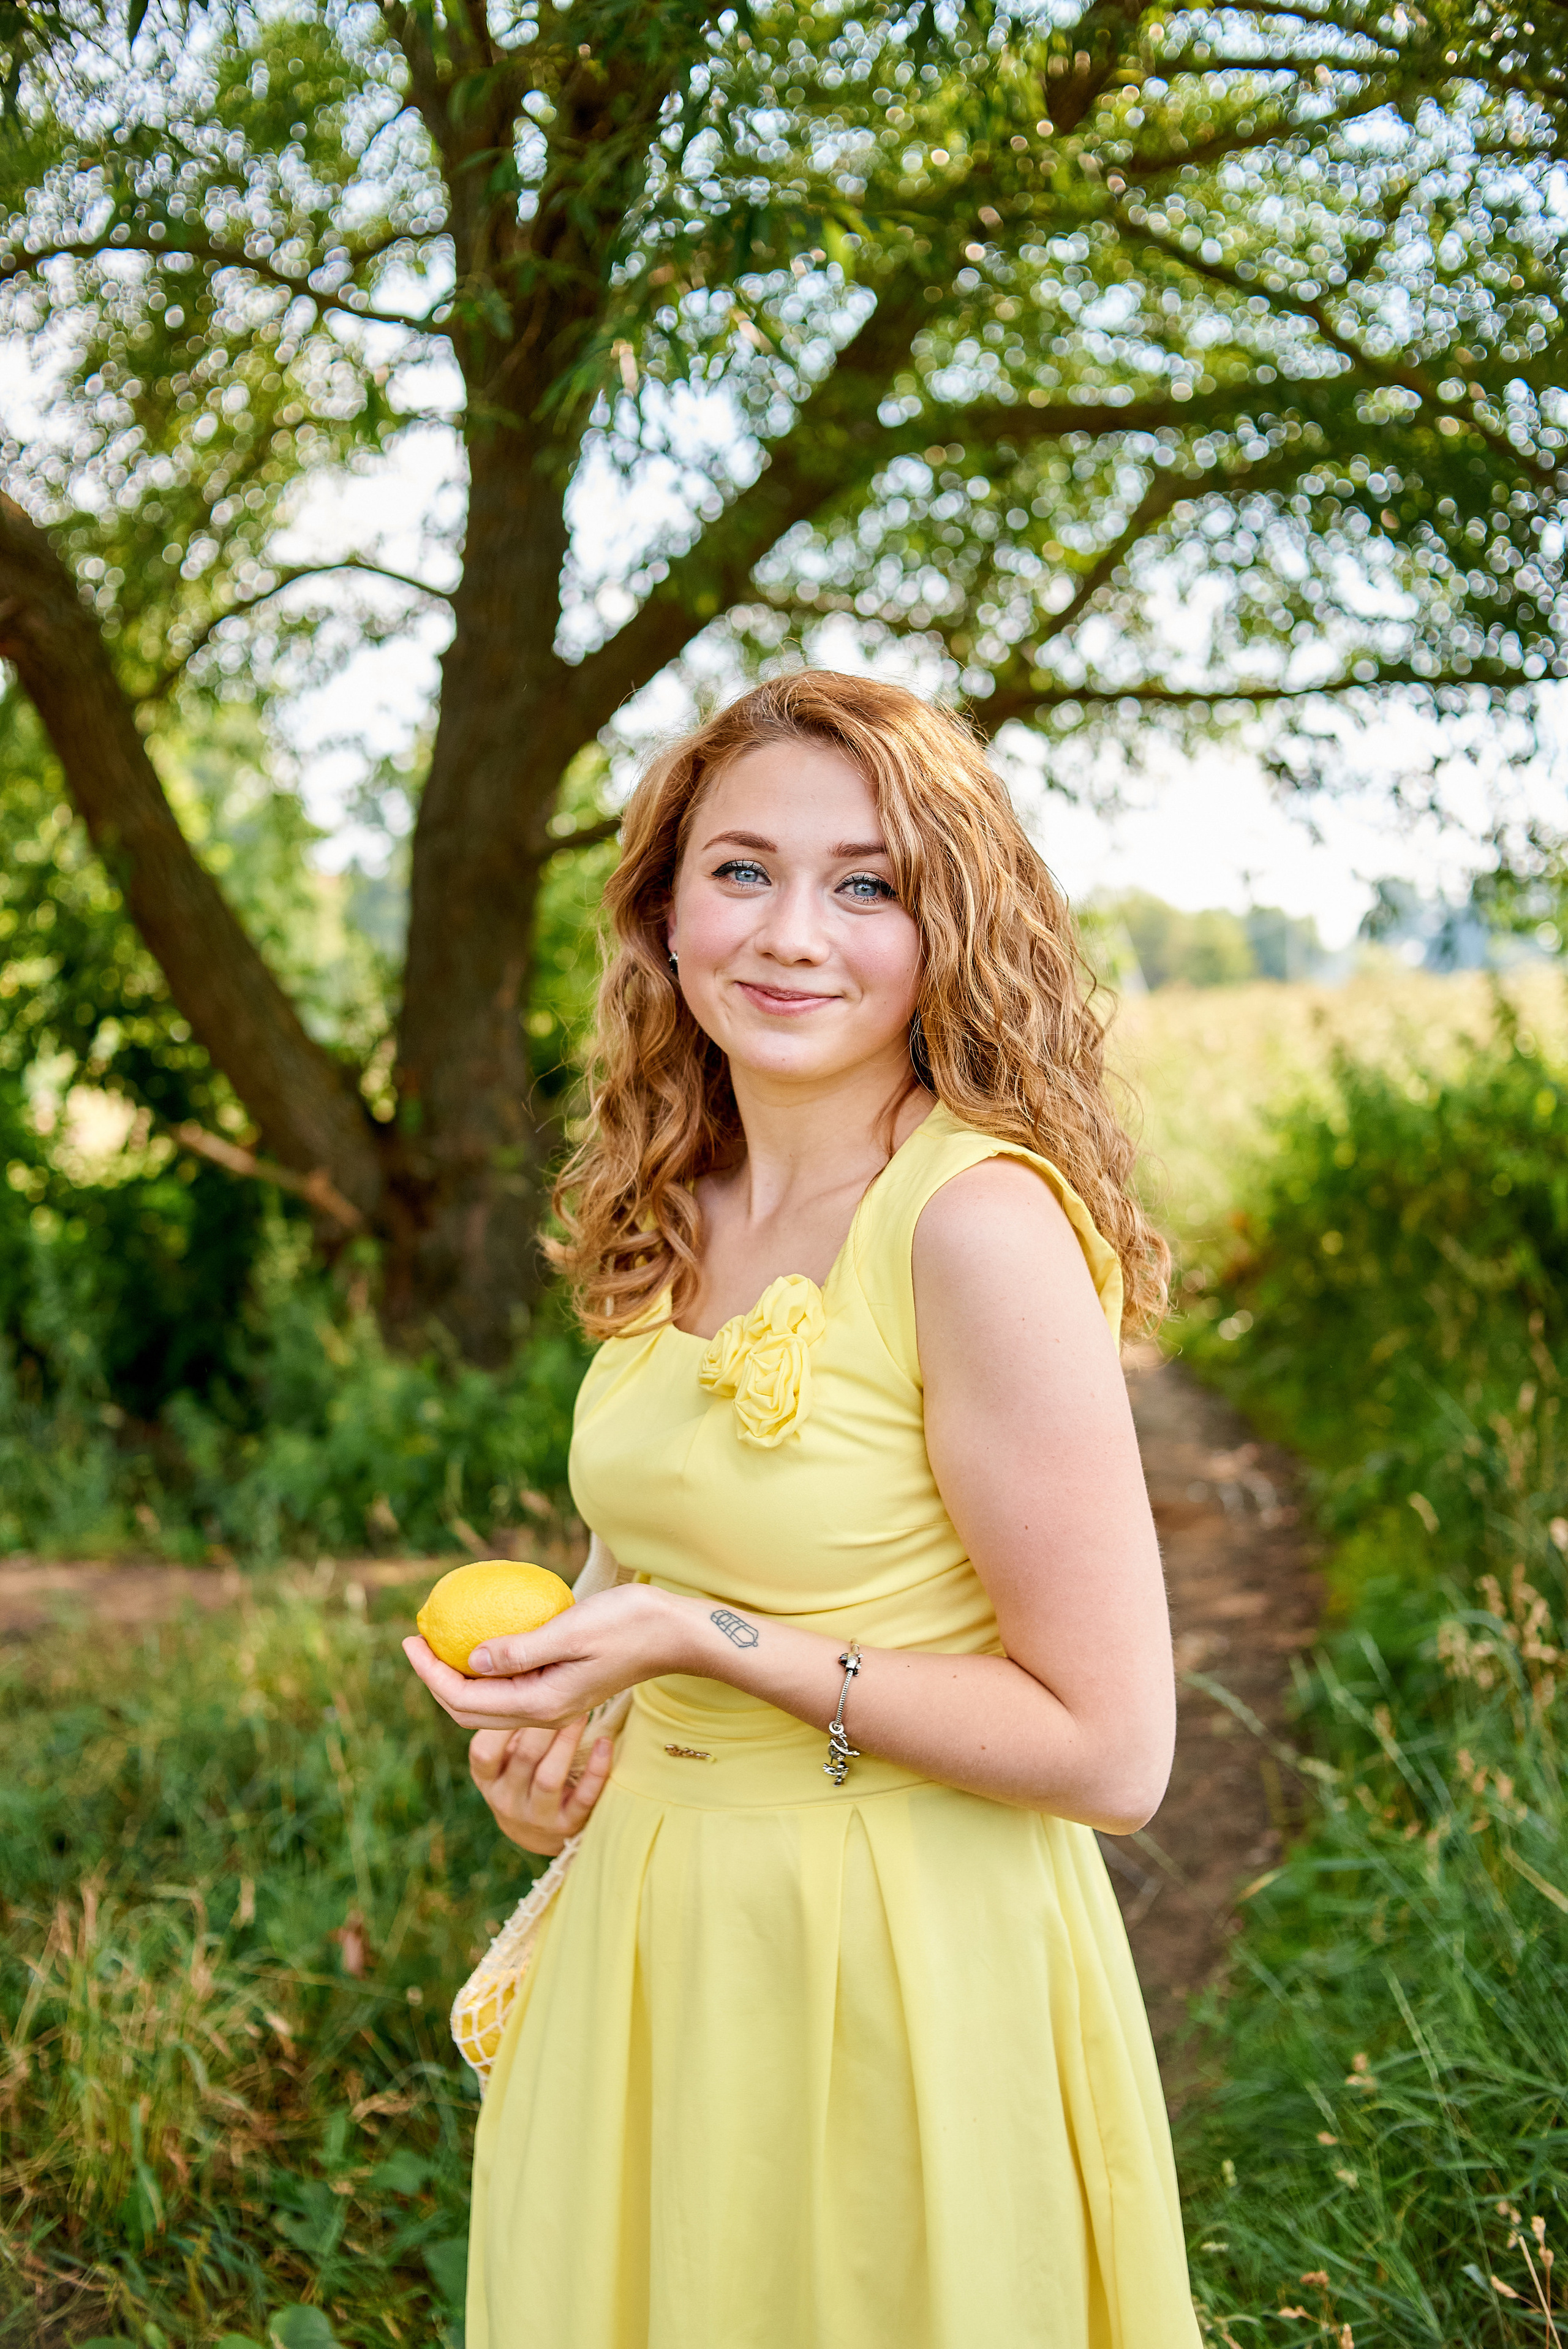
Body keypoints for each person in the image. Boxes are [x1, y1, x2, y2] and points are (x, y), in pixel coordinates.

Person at [404, 670, 1200, 2349]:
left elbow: (1117, 1750)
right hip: (652, 1948)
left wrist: (710, 1641)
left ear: (947, 928)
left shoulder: (972, 1227)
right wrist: (553, 1745)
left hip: (902, 1966)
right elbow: (641, 1574)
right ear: (665, 905)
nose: (791, 932)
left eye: (867, 882)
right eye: (741, 868)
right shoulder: (665, 1197)